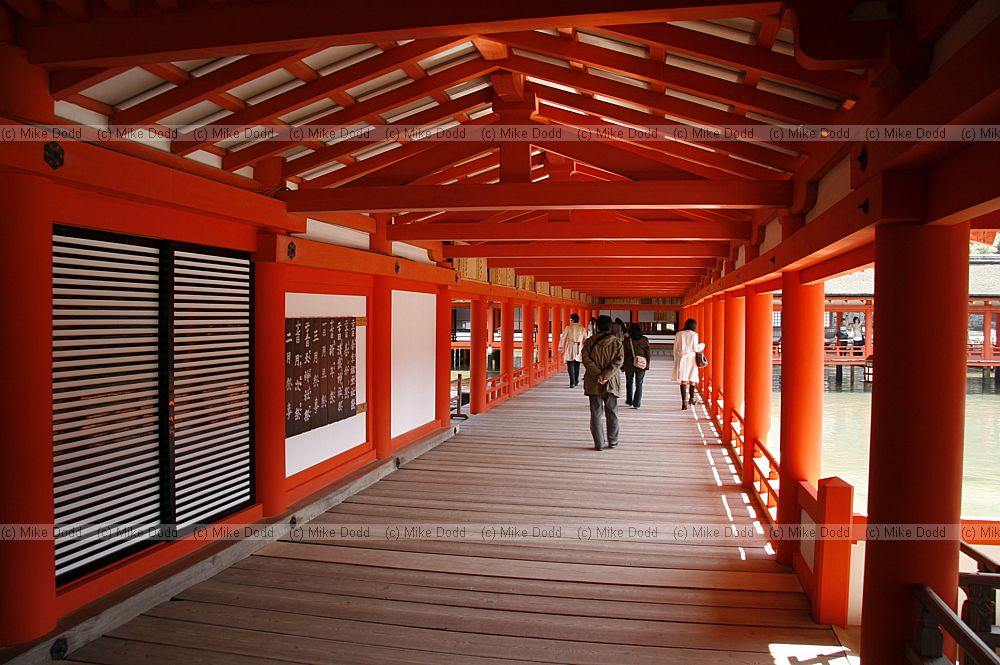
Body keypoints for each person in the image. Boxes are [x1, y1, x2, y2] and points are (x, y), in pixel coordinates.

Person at [581, 315, 625, 450]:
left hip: (593, 382)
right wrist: (605, 375)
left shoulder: (589, 342)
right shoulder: (617, 342)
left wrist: (598, 375)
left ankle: (599, 443)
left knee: (596, 413)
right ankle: (613, 441)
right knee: (612, 411)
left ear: (597, 326)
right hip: (611, 381)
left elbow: (586, 360)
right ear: (610, 327)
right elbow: (619, 361)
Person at [673, 318, 705, 410]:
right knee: (692, 379)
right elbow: (695, 348)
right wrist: (702, 345)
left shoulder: (679, 334)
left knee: (683, 380)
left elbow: (675, 347)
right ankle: (691, 399)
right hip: (691, 358)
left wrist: (676, 358)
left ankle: (684, 402)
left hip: (682, 358)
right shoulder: (694, 335)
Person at [623, 322, 651, 409]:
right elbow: (648, 354)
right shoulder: (644, 340)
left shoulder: (627, 340)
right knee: (639, 384)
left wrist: (622, 366)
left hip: (629, 364)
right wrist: (647, 364)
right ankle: (637, 403)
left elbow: (624, 354)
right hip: (641, 364)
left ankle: (629, 400)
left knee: (629, 382)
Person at [559, 313, 587, 388]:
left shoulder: (568, 327)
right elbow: (586, 339)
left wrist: (561, 347)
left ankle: (572, 382)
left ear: (573, 320)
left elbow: (563, 338)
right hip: (578, 347)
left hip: (570, 347)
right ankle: (576, 380)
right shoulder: (582, 328)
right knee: (577, 365)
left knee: (570, 365)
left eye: (570, 319)